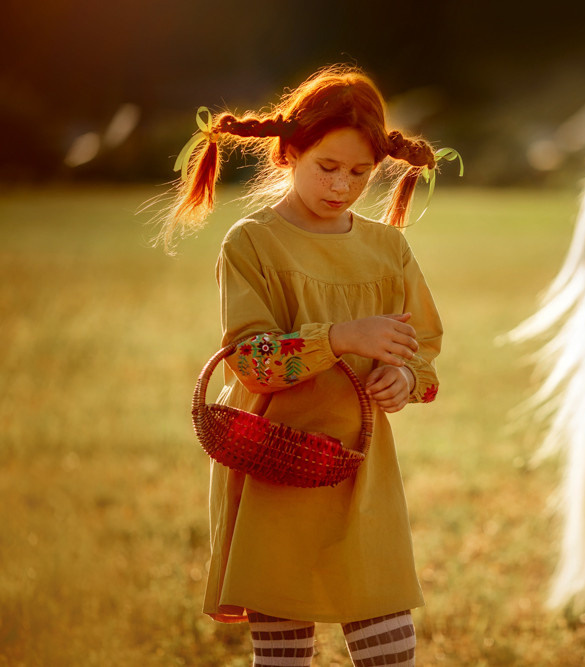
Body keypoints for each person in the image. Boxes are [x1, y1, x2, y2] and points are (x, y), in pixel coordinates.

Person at [159, 65, 451, 667]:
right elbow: (248, 360)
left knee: (388, 650)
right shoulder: (252, 243)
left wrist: (403, 376)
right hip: (277, 463)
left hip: (361, 471)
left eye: (359, 173)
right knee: (285, 655)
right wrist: (343, 336)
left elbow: (422, 346)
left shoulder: (388, 248)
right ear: (289, 152)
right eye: (327, 167)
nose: (342, 185)